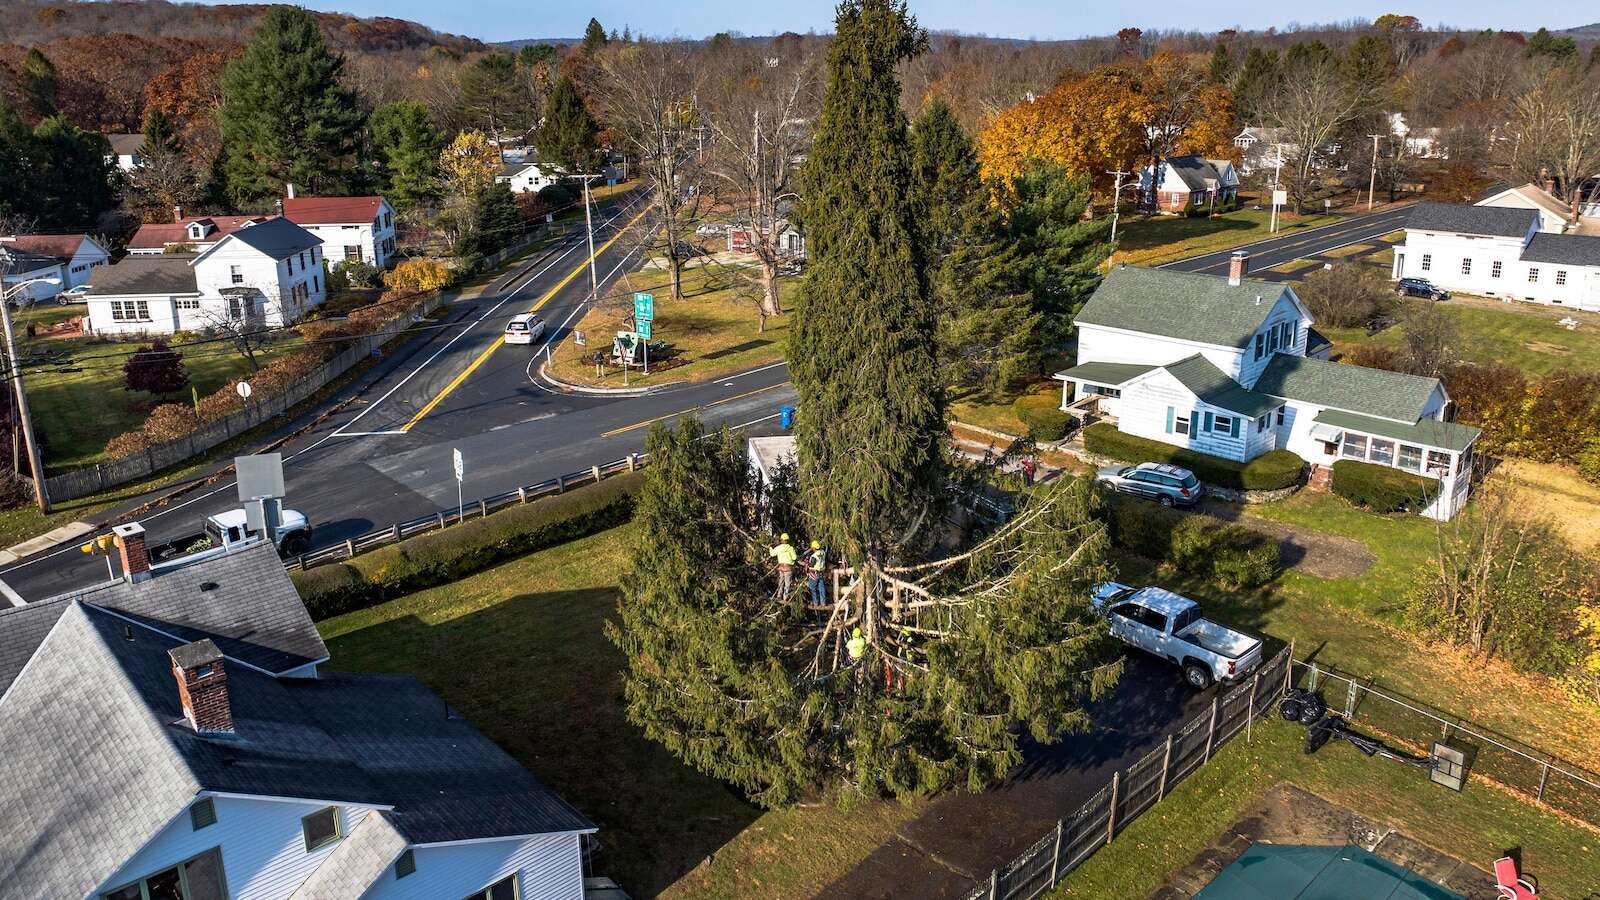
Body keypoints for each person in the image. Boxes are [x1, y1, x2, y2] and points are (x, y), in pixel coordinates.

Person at [803, 540, 828, 607]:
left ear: (814, 548)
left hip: (814, 573)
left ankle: (816, 602)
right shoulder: (823, 552)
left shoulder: (814, 556)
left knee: (812, 588)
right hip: (821, 573)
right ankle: (823, 602)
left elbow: (811, 565)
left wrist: (806, 562)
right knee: (821, 588)